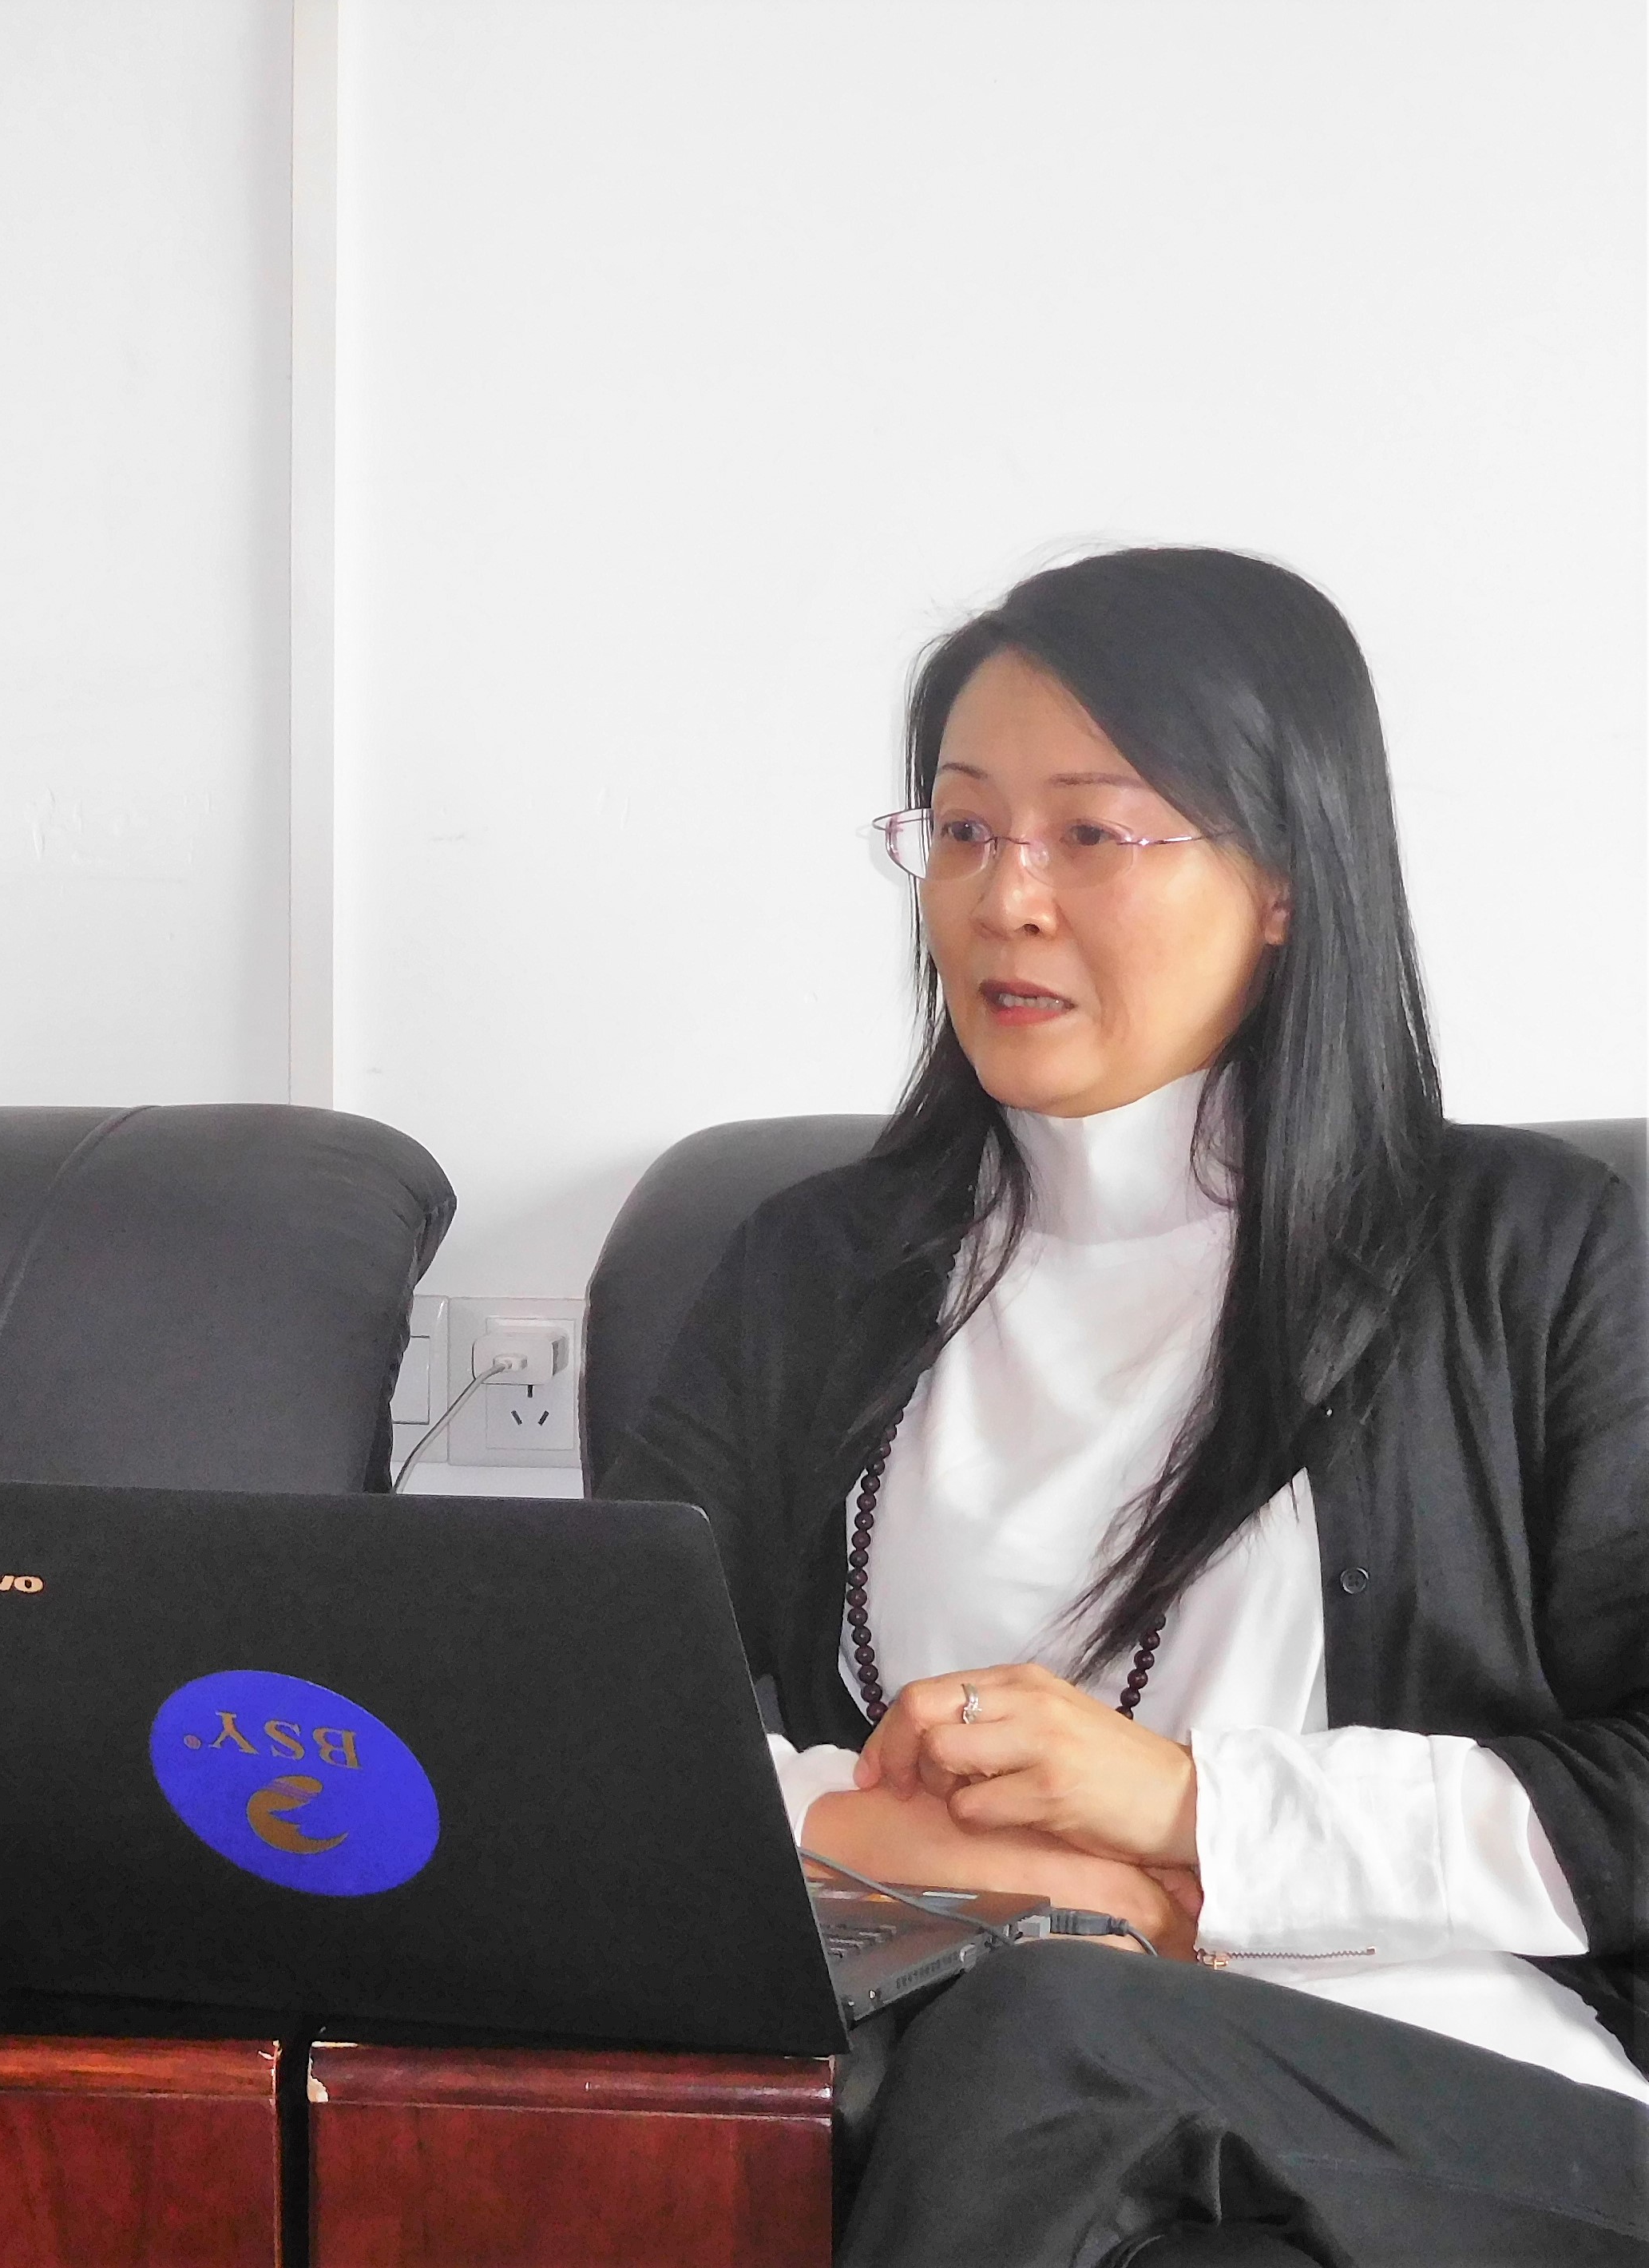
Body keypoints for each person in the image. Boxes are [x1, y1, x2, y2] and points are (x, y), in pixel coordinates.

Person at [596, 548, 1648, 2266]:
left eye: (1092, 833)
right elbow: (597, 1727)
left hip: (1452, 2103)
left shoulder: (1528, 1253)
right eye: (962, 829)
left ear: (1284, 879)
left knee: (1055, 2029)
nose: (1003, 899)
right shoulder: (811, 1267)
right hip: (969, 2054)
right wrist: (932, 1856)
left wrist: (1185, 1818)